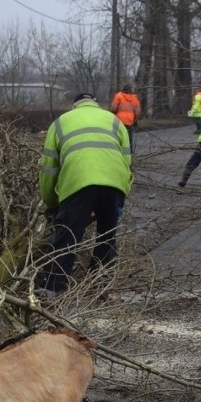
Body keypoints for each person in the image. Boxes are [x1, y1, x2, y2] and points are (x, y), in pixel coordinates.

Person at [37, 92, 131, 297]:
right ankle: (99, 283)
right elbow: (127, 161)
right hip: (114, 183)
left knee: (67, 236)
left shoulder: (60, 123)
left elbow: (49, 169)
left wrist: (52, 203)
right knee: (107, 236)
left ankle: (51, 288)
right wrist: (121, 193)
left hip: (77, 183)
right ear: (96, 105)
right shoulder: (114, 121)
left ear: (75, 106)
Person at [110, 81, 142, 151]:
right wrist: (134, 120)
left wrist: (113, 115)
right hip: (130, 121)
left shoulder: (118, 95)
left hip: (119, 120)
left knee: (118, 136)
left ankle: (118, 150)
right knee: (129, 138)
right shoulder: (135, 98)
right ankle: (129, 152)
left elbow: (113, 108)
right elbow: (138, 112)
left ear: (123, 89)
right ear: (131, 90)